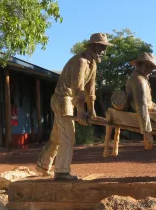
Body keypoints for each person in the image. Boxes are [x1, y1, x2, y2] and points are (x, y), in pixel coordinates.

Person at [36, 33, 113, 180]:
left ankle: (42, 164)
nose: (104, 51)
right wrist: (81, 111)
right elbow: (78, 89)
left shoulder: (93, 64)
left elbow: (90, 89)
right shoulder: (81, 61)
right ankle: (62, 172)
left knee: (57, 137)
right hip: (63, 99)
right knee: (68, 137)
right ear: (92, 47)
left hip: (69, 100)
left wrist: (91, 110)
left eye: (105, 47)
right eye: (101, 47)